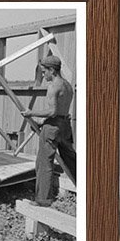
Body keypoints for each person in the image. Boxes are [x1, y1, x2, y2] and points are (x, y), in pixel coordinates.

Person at [24, 55, 76, 207]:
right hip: (65, 126)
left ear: (52, 70)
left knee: (44, 163)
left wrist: (31, 113)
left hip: (52, 128)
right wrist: (42, 121)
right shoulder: (67, 86)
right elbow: (60, 111)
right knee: (72, 160)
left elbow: (52, 112)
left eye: (44, 71)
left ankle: (43, 200)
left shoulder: (53, 86)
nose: (43, 75)